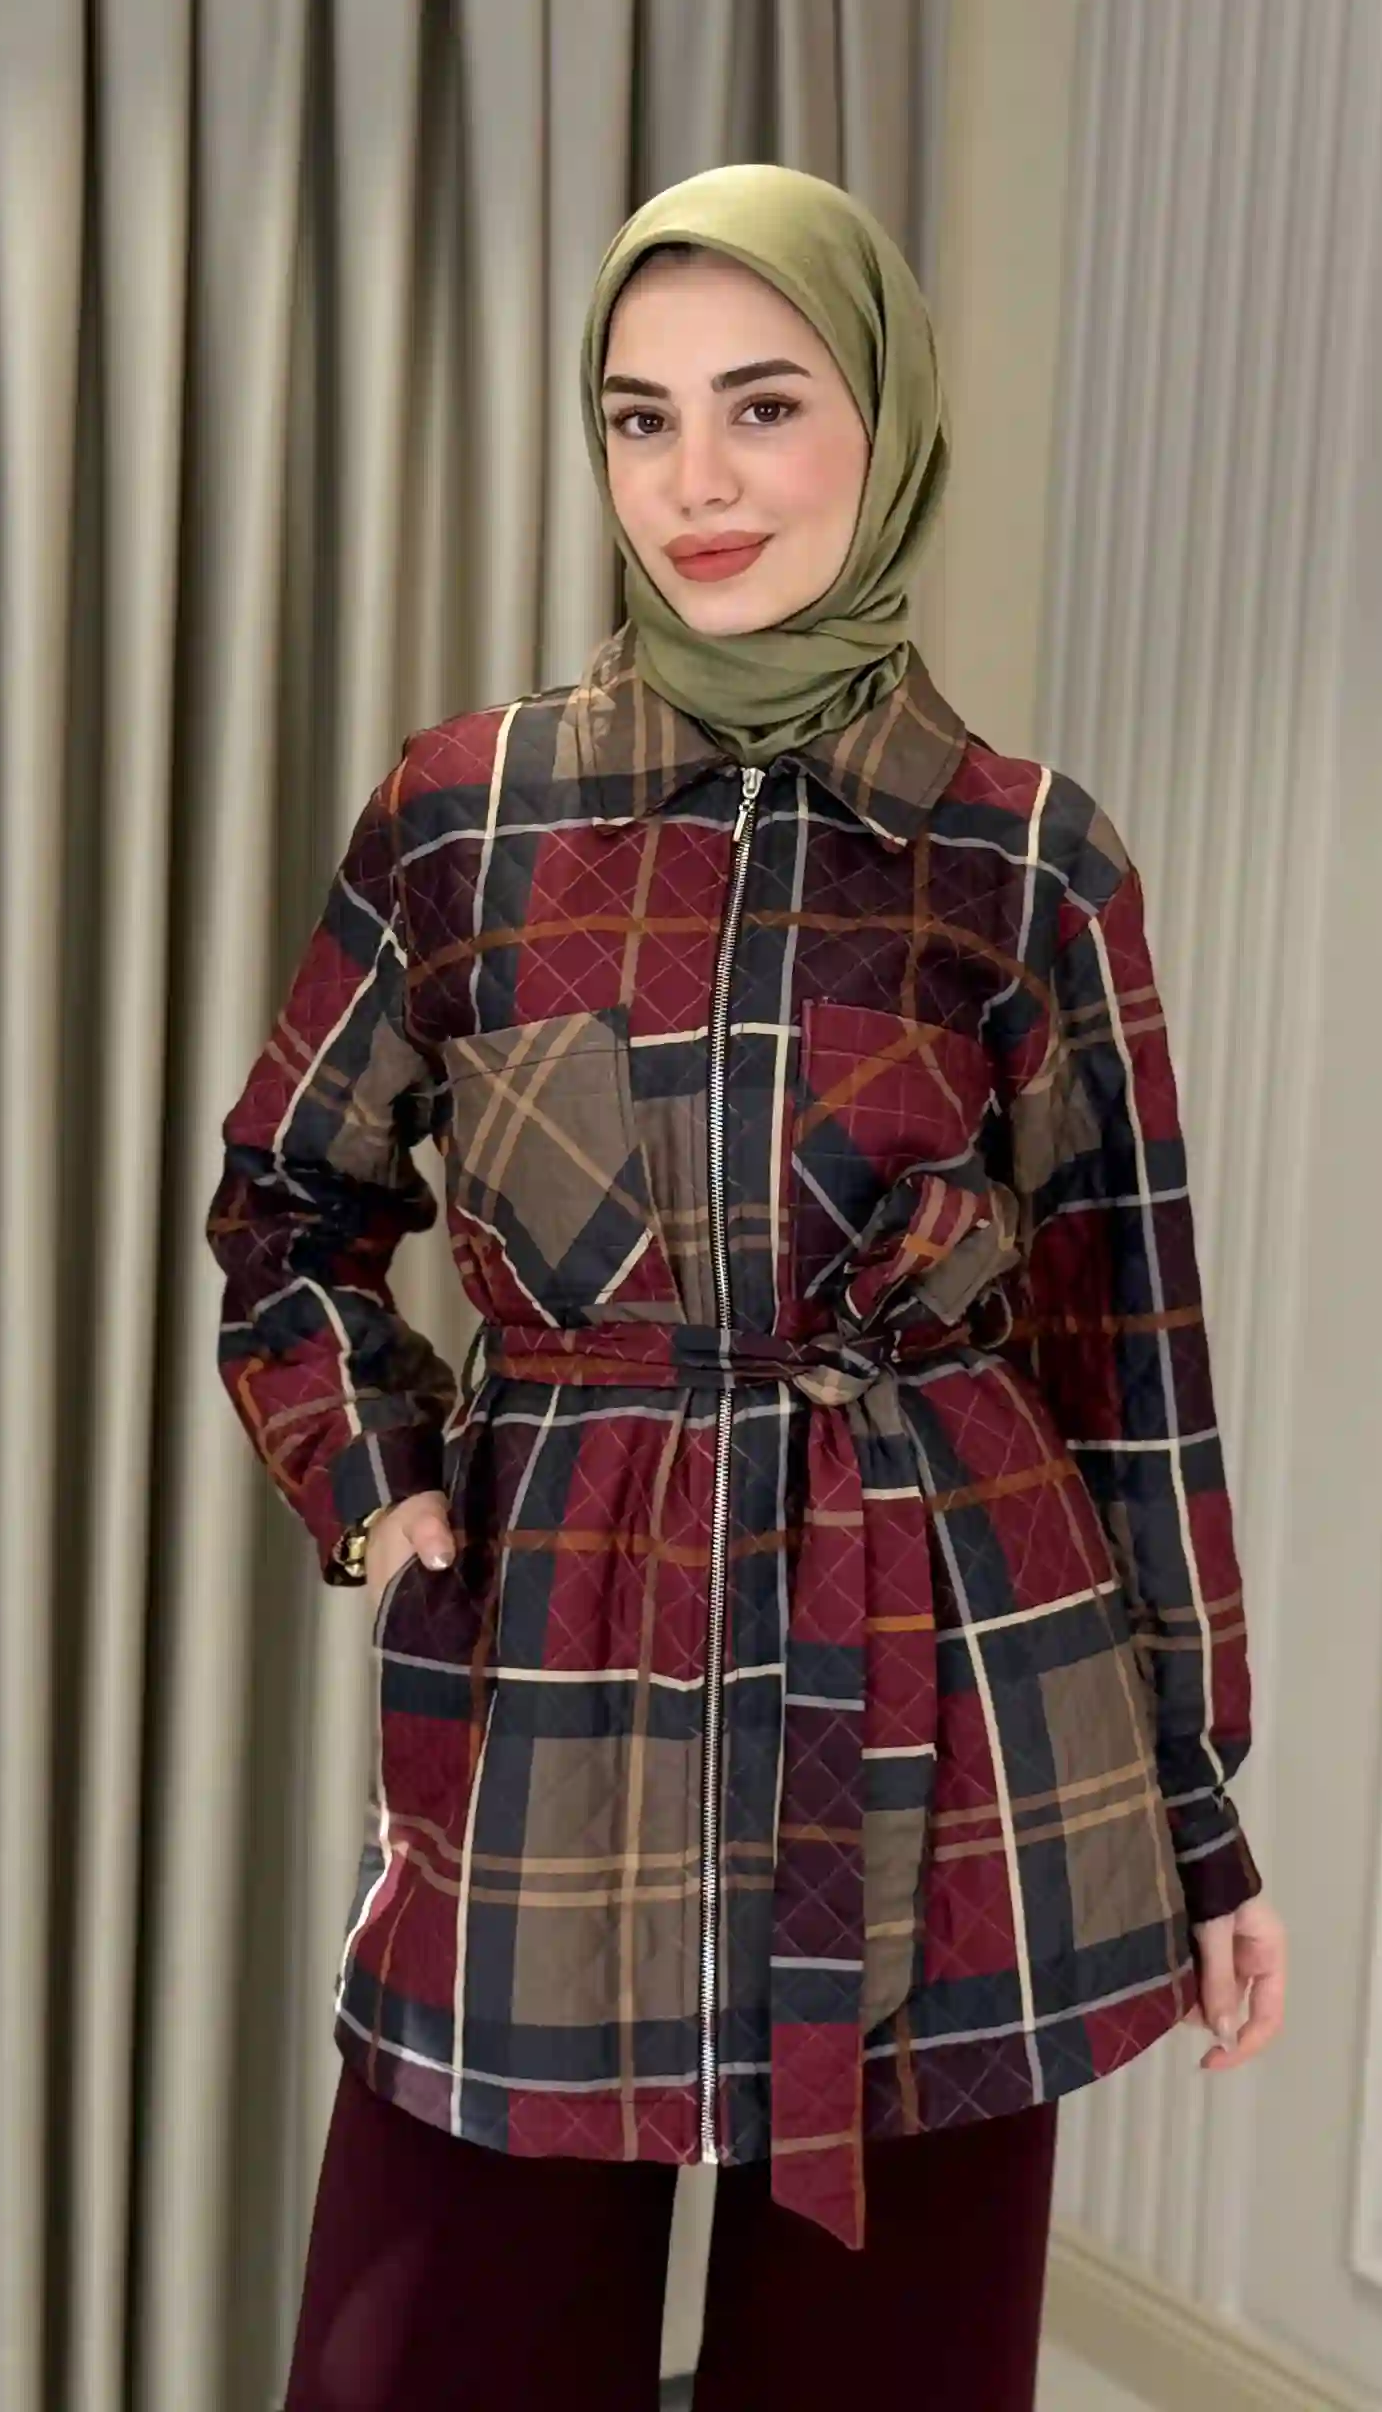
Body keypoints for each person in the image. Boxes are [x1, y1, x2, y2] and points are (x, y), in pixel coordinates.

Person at [207, 161, 1287, 2412]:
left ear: (881, 428)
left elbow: (1129, 1358)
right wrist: (376, 1478)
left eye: (761, 405)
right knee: (434, 2355)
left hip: (950, 1708)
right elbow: (285, 1201)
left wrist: (1199, 1813)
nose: (692, 480)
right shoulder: (464, 815)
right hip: (562, 1679)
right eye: (640, 416)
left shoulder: (1027, 857)